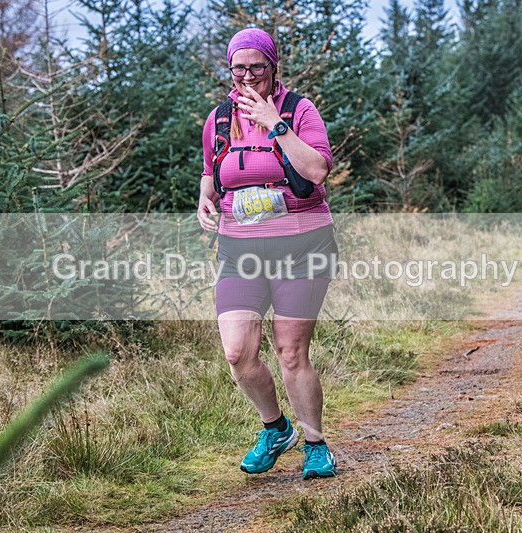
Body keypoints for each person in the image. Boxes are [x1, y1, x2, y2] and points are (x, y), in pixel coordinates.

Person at [196, 27, 337, 480]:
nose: (248, 77)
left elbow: (316, 170)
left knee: (291, 352)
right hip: (240, 249)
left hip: (302, 245)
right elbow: (210, 171)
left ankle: (314, 444)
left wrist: (273, 121)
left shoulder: (300, 110)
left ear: (273, 66)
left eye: (257, 67)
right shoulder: (219, 119)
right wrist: (206, 198)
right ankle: (276, 429)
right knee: (237, 353)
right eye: (239, 69)